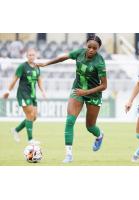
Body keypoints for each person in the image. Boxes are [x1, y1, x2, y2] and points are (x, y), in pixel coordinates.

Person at [36, 35, 107, 163]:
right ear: (86, 45)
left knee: (90, 127)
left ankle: (100, 135)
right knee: (70, 120)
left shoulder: (100, 62)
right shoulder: (79, 53)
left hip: (93, 95)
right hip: (77, 90)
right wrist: (46, 63)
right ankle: (69, 154)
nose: (91, 50)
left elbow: (104, 86)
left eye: (94, 48)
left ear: (98, 49)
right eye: (89, 47)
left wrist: (86, 91)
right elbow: (64, 57)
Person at [3, 48, 45, 144]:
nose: (31, 56)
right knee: (30, 115)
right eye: (29, 55)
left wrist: (43, 91)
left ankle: (16, 130)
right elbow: (14, 79)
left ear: (36, 56)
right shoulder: (22, 67)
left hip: (33, 95)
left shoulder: (37, 67)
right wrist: (8, 91)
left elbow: (39, 80)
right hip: (23, 94)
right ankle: (30, 140)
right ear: (26, 56)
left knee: (34, 117)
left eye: (33, 55)